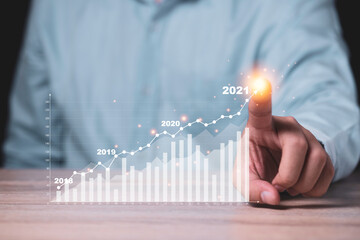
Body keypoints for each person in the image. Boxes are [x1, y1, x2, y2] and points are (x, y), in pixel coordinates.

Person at [3, 0, 360, 205]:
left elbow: (327, 100)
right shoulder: (55, 9)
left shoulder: (283, 6)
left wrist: (301, 146)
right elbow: (30, 150)